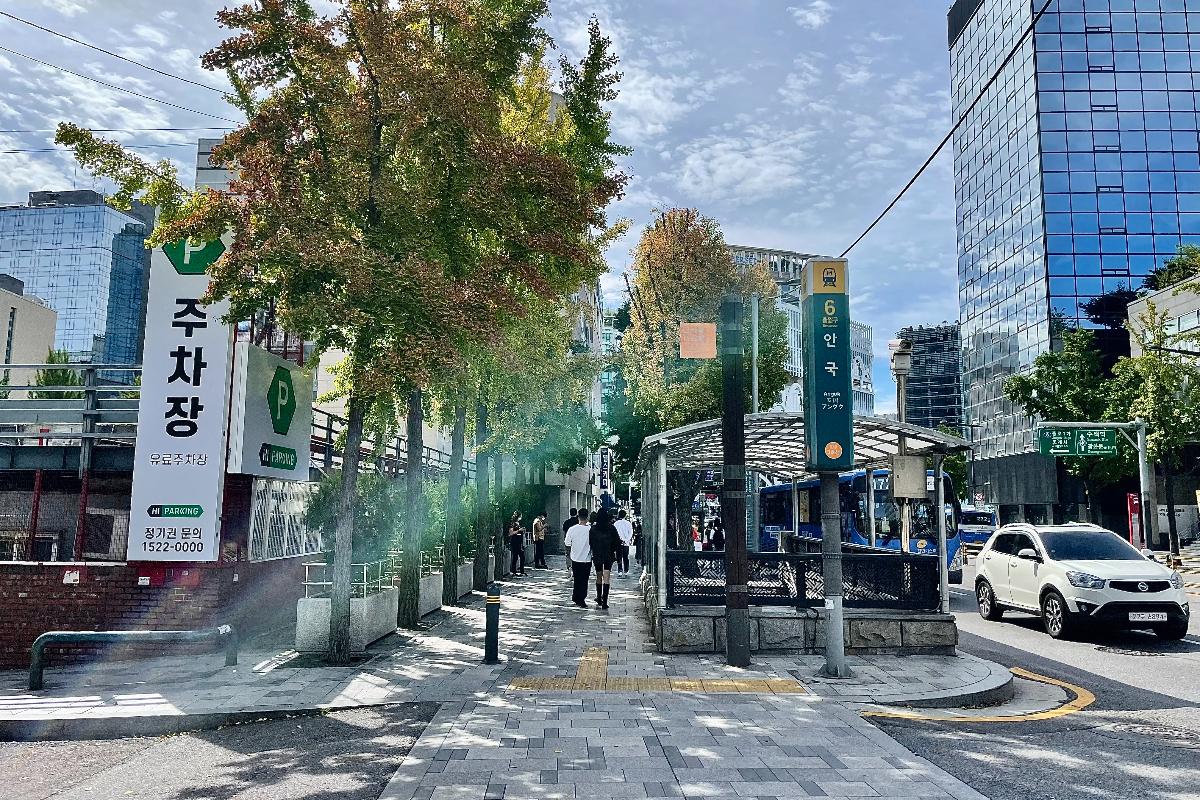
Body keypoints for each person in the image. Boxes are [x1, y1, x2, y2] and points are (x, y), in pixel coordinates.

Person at [589, 508, 621, 609]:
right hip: (608, 555)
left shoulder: (593, 529)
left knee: (599, 576)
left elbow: (590, 542)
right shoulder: (611, 528)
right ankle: (605, 602)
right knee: (606, 577)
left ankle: (599, 597)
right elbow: (617, 542)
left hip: (597, 554)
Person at [563, 508, 593, 607]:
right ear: (587, 517)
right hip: (587, 559)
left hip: (575, 558)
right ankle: (582, 598)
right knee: (584, 580)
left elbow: (567, 543)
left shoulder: (572, 529)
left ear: (578, 516)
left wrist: (568, 554)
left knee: (577, 579)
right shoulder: (591, 529)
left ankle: (576, 597)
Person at [614, 509, 634, 575]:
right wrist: (626, 540)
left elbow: (615, 533)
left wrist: (620, 539)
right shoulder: (628, 523)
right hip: (626, 543)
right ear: (625, 515)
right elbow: (631, 533)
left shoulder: (616, 523)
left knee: (619, 557)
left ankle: (620, 570)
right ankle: (626, 570)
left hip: (618, 542)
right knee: (626, 557)